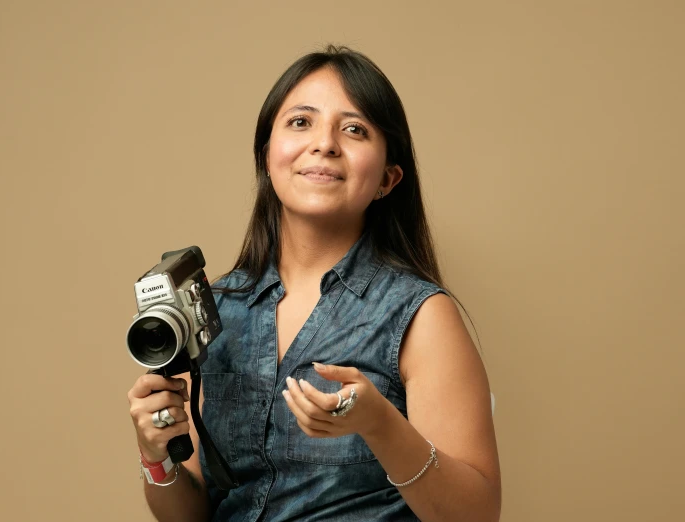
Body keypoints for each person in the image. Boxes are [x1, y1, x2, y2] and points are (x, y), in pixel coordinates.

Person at [127, 45, 501, 521]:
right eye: (301, 122)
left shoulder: (422, 316)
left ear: (388, 178)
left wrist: (381, 425)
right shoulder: (211, 310)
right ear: (267, 156)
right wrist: (155, 458)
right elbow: (191, 514)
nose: (324, 143)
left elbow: (477, 514)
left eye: (355, 129)